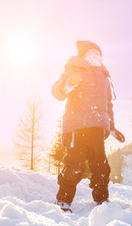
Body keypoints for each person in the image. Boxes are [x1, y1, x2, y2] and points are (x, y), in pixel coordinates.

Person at [51, 40, 125, 212]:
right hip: (77, 126)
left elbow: (108, 105)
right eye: (91, 54)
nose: (95, 57)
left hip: (97, 128)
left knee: (101, 165)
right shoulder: (75, 69)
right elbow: (56, 91)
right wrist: (68, 85)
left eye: (97, 54)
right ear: (83, 57)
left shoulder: (104, 76)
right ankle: (63, 200)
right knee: (74, 164)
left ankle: (102, 201)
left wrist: (112, 127)